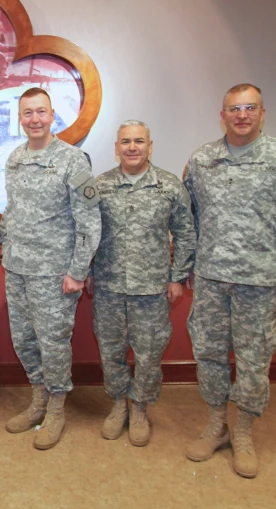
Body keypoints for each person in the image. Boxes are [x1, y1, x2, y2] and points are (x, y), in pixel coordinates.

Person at [183, 83, 276, 478]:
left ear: (263, 113)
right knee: (208, 354)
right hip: (210, 279)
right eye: (233, 108)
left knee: (253, 360)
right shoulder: (202, 159)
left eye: (250, 108)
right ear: (222, 115)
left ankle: (243, 431)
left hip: (260, 282)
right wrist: (187, 267)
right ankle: (216, 424)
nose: (241, 115)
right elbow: (188, 221)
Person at [0, 87, 101, 450]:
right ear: (20, 118)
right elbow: (13, 211)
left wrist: (77, 270)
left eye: (40, 112)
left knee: (53, 343)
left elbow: (89, 220)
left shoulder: (73, 161)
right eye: (27, 113)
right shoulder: (14, 158)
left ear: (52, 114)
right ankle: (39, 399)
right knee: (24, 340)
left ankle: (57, 408)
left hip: (55, 273)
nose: (34, 119)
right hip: (17, 268)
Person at [87, 120, 195, 447]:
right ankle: (119, 403)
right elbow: (87, 232)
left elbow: (187, 234)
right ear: (116, 147)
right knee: (111, 351)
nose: (132, 147)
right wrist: (88, 271)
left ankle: (140, 407)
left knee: (148, 354)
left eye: (139, 141)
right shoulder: (100, 186)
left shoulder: (170, 186)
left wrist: (178, 276)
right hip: (108, 287)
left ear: (151, 145)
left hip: (152, 289)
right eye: (125, 142)